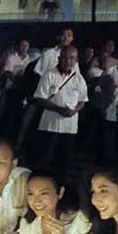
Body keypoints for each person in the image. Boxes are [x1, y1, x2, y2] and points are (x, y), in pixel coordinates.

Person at [32, 45, 88, 176]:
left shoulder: (79, 79)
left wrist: (75, 110)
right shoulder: (49, 75)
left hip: (69, 127)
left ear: (76, 60)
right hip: (49, 125)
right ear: (59, 58)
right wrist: (58, 109)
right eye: (65, 58)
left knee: (64, 160)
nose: (68, 61)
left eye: (71, 58)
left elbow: (83, 100)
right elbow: (39, 98)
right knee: (45, 157)